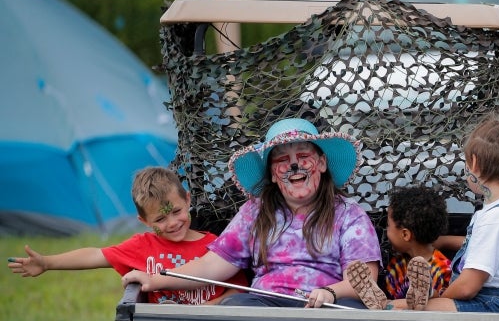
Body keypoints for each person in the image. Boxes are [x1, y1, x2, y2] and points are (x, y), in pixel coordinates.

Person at [121, 118, 382, 308]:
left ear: (322, 163)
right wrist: (155, 280)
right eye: (281, 159)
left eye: (303, 155)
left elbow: (364, 280)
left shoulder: (350, 215)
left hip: (325, 307)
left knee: (352, 315)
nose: (293, 165)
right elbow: (211, 266)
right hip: (264, 306)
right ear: (271, 173)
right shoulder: (255, 212)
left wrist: (329, 292)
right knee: (234, 309)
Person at [6, 167, 246, 305]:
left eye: (176, 211)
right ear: (144, 221)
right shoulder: (143, 246)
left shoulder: (216, 247)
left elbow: (238, 291)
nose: (172, 223)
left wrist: (200, 314)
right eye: (160, 219)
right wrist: (48, 263)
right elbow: (96, 255)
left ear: (187, 201)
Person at [422, 118, 499, 312]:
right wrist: (443, 241)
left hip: (493, 303)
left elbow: (468, 287)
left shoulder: (497, 218)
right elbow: (492, 246)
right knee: (416, 305)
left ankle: (389, 304)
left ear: (474, 163)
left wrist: (442, 297)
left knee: (413, 309)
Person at [346, 185, 452, 311]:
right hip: (393, 320)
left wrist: (393, 305)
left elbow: (444, 303)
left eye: (389, 225)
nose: (386, 231)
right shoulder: (396, 264)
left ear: (405, 234)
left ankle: (424, 294)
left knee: (433, 298)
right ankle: (376, 298)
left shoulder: (443, 269)